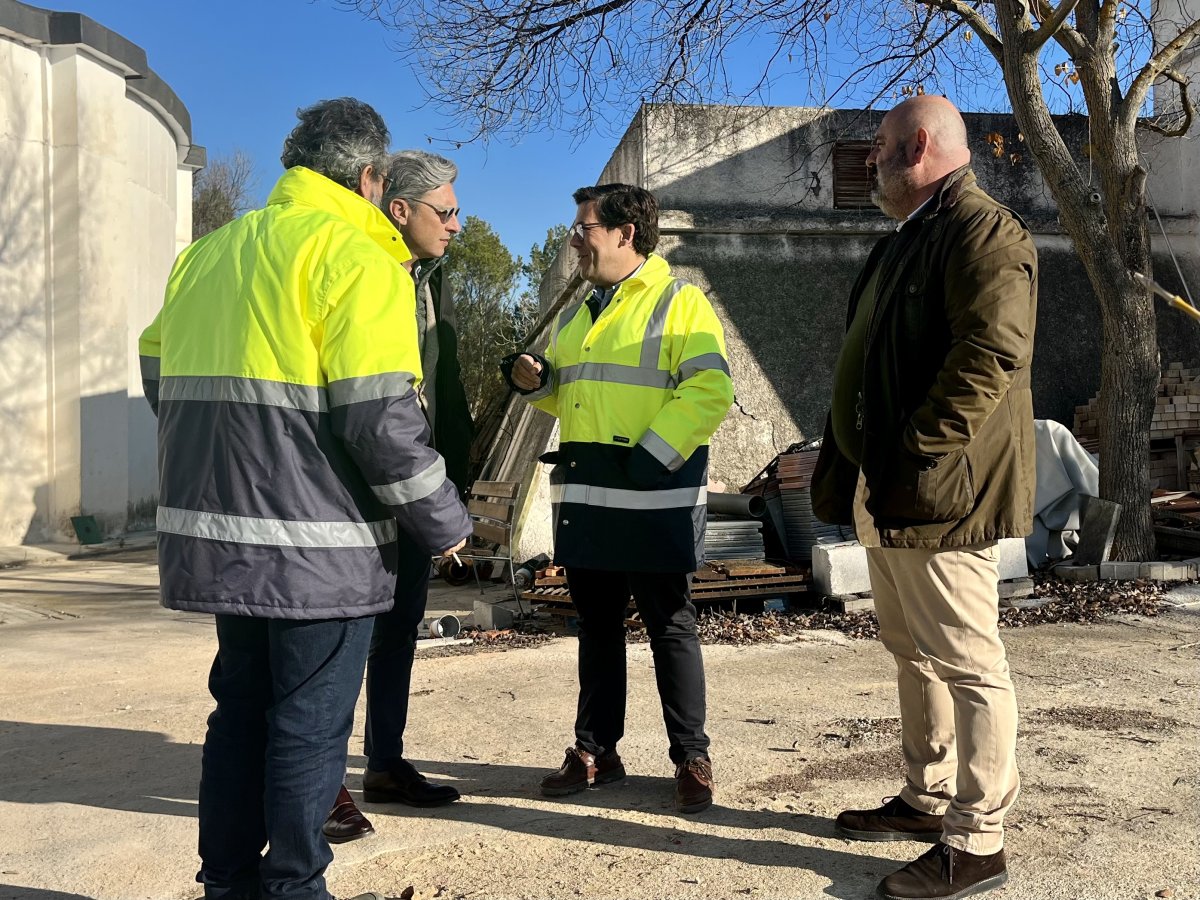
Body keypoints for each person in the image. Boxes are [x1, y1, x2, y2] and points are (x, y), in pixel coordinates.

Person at [139, 98, 470, 900]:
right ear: (368, 178)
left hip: (222, 535)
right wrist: (445, 523)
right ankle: (293, 889)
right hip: (321, 547)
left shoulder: (209, 254)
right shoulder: (358, 258)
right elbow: (380, 421)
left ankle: (226, 885)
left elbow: (159, 372)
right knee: (307, 727)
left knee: (238, 716)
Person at [811, 95, 1036, 900]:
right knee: (913, 650)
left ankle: (978, 842)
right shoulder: (902, 243)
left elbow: (989, 356)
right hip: (892, 490)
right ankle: (927, 797)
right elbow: (868, 362)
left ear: (922, 147)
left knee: (970, 661)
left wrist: (912, 451)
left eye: (878, 147)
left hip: (943, 494)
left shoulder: (983, 231)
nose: (868, 160)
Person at [502, 183, 734, 814]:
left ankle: (691, 756)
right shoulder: (580, 316)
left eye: (586, 227)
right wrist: (535, 382)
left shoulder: (680, 302)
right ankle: (596, 752)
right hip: (588, 499)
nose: (575, 238)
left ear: (625, 233)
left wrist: (651, 456)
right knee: (597, 629)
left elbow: (710, 389)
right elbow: (571, 399)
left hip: (654, 495)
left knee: (670, 627)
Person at [324, 151, 473, 844]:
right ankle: (321, 785)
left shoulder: (424, 280)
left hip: (417, 488)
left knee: (396, 635)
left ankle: (384, 764)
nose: (456, 224)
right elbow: (367, 406)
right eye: (445, 212)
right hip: (359, 493)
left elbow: (435, 391)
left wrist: (449, 485)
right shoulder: (362, 269)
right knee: (339, 644)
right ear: (399, 210)